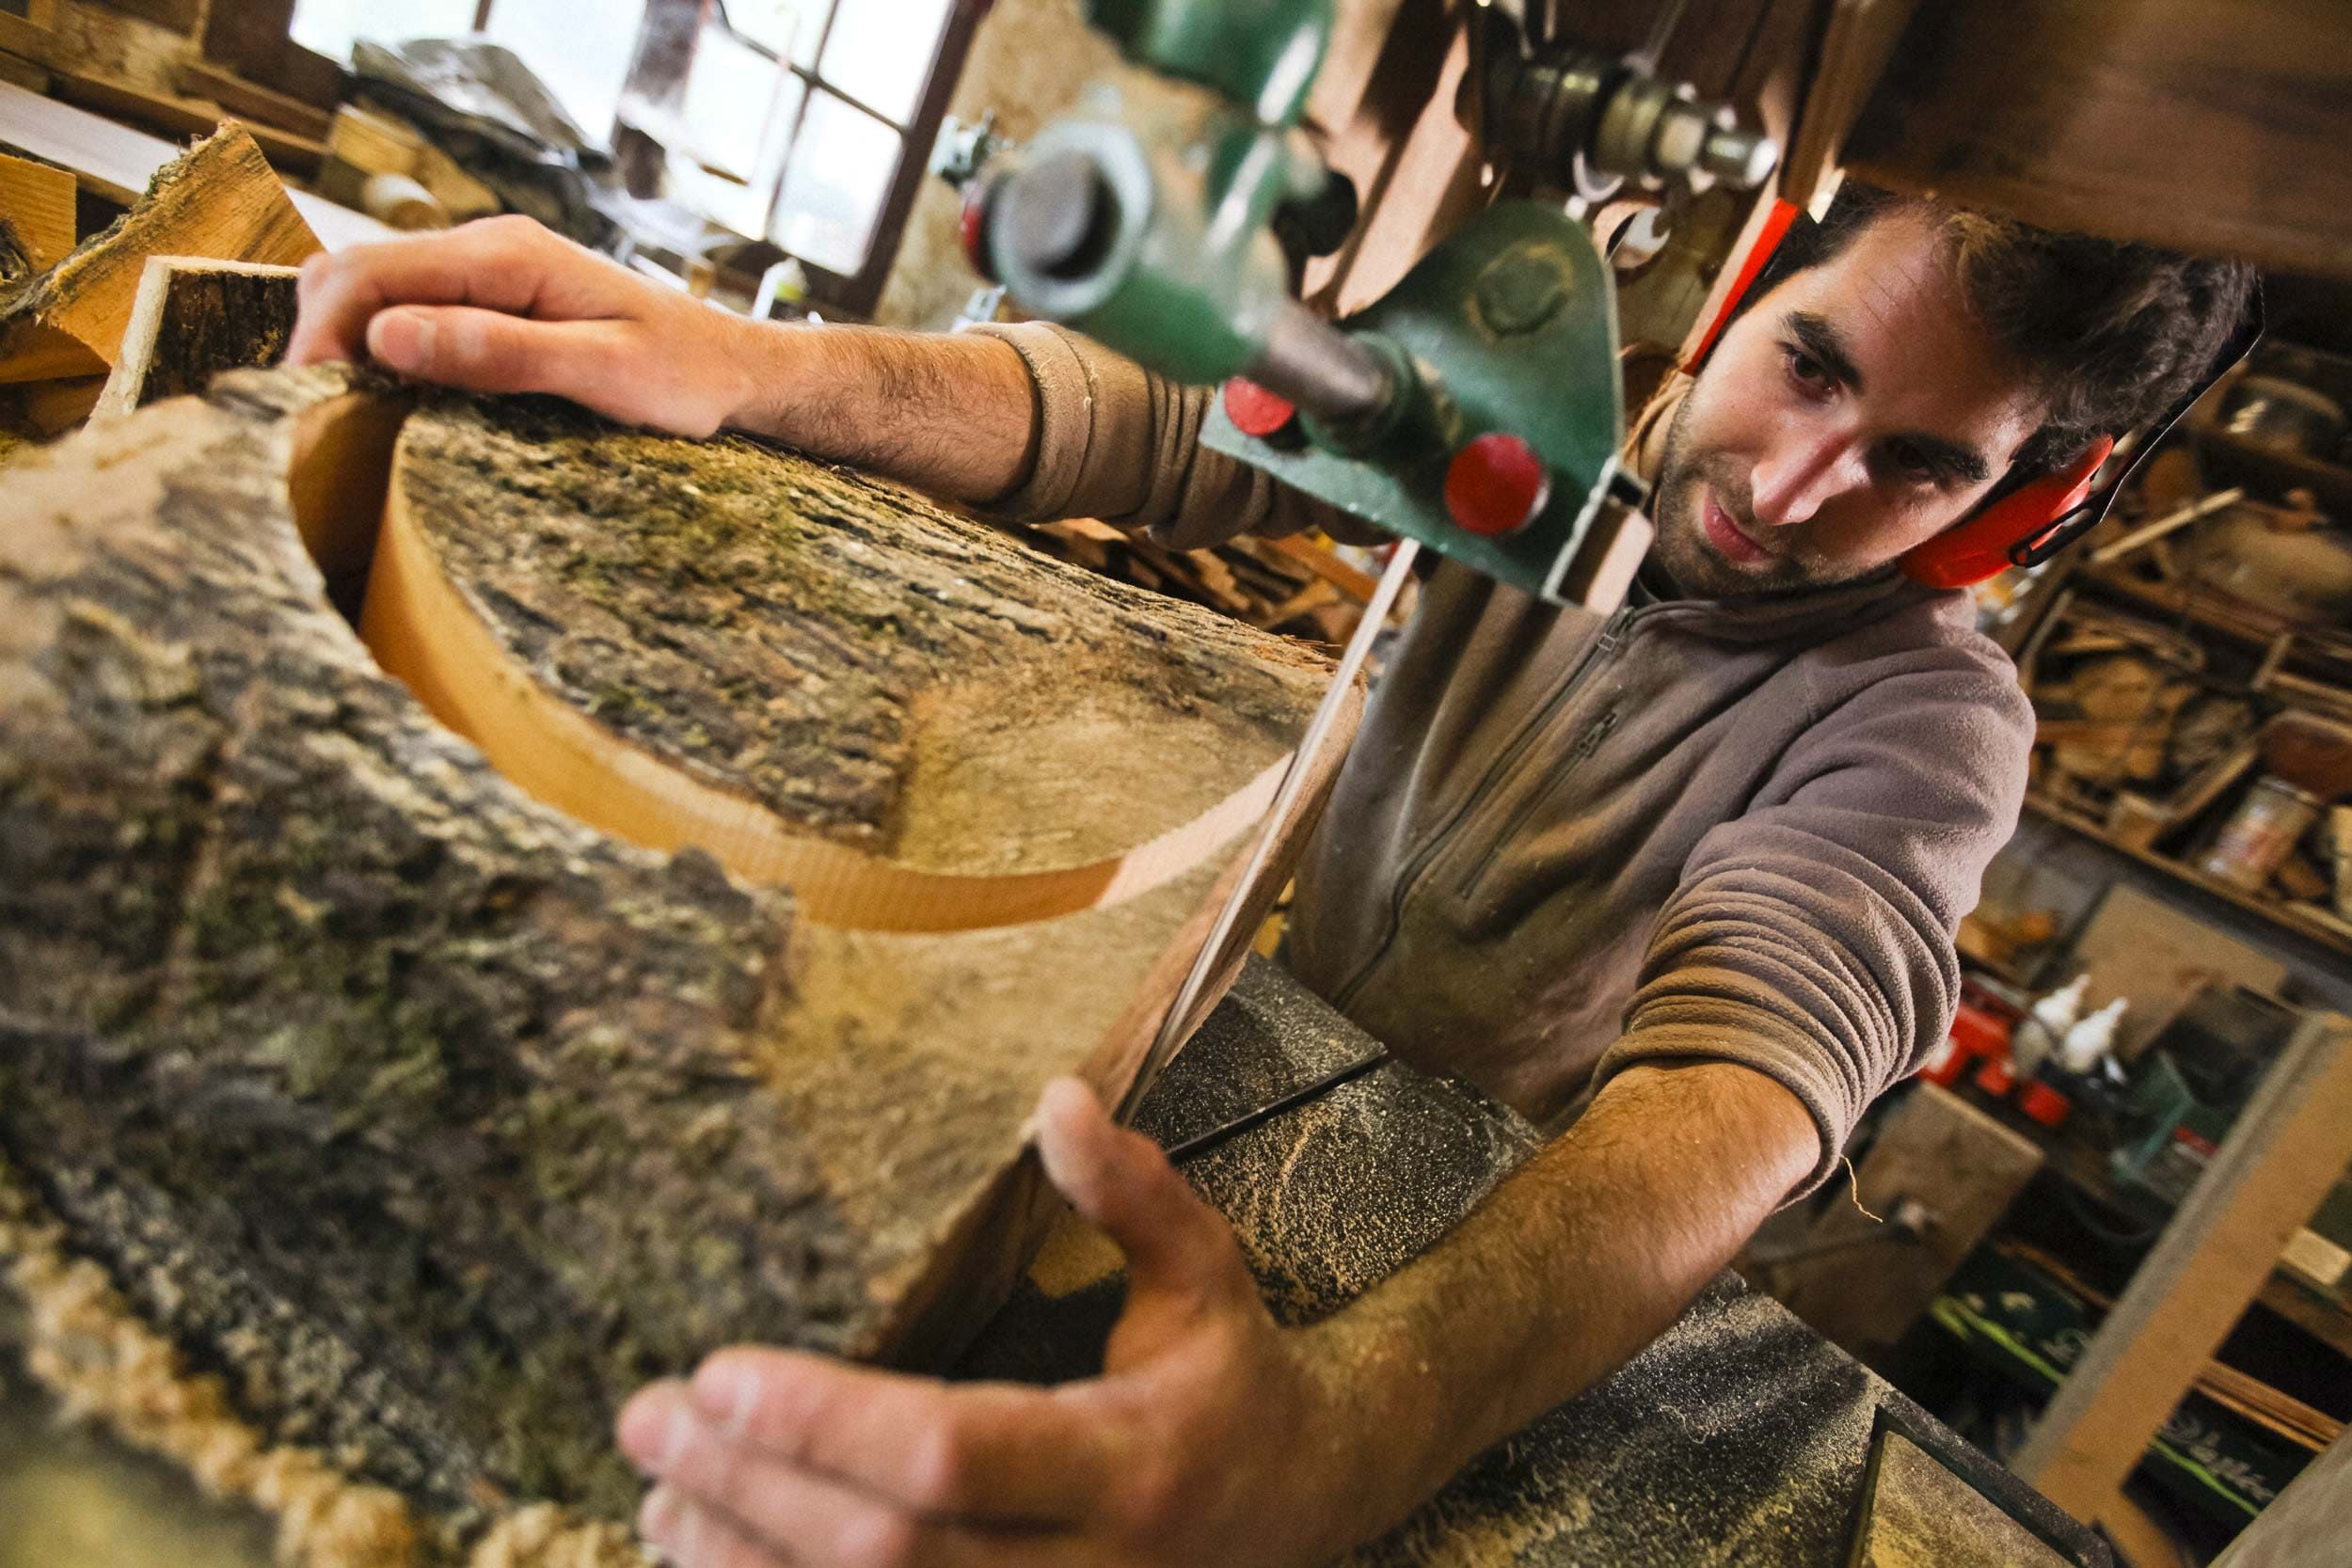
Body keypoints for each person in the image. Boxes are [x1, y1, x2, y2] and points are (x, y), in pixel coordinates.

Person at [286, 184, 2252, 1568]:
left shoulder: (1927, 719)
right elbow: (1149, 415)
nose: (1792, 491)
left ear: (2011, 509)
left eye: (1915, 463)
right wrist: (746, 364)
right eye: (1807, 368)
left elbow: (1753, 1069)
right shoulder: (1540, 423)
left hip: (1442, 1234)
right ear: (1740, 282)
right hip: (1216, 1040)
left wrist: (1349, 1429)